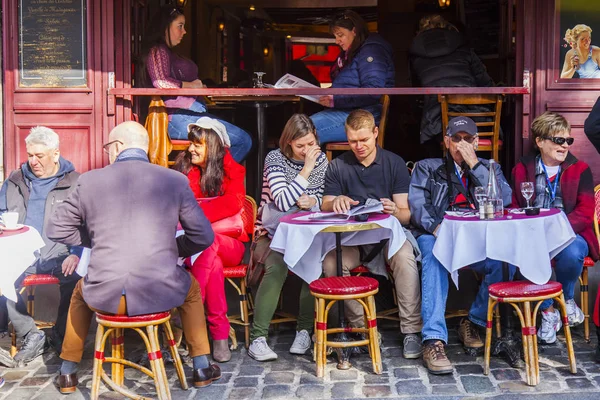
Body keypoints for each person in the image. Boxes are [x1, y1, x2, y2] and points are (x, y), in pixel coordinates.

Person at [46, 121, 220, 393]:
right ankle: (201, 366)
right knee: (192, 290)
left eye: (108, 147)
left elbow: (56, 228)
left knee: (79, 293)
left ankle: (67, 372)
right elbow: (203, 236)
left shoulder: (90, 180)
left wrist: (98, 239)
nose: (107, 153)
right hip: (160, 292)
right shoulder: (175, 180)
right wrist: (174, 249)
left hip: (105, 294)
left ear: (117, 147)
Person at [408, 116, 512, 375]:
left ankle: (474, 321)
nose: (461, 144)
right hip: (437, 234)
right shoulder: (426, 167)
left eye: (467, 139)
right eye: (456, 139)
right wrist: (436, 227)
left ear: (477, 142)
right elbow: (417, 204)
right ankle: (433, 339)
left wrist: (474, 164)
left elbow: (505, 200)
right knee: (433, 253)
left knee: (502, 259)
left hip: (476, 240)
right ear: (446, 141)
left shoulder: (489, 168)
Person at [320, 109, 422, 359]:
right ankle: (363, 327)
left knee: (405, 259)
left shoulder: (393, 162)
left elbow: (407, 215)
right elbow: (325, 204)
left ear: (375, 133)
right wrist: (337, 202)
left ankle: (411, 331)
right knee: (331, 263)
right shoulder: (338, 165)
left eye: (364, 140)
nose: (358, 146)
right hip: (352, 239)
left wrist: (394, 209)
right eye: (353, 141)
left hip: (387, 236)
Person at [247, 114, 328, 361]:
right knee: (279, 264)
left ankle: (304, 330)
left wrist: (313, 201)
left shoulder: (321, 159)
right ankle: (257, 337)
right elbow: (281, 201)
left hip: (305, 232)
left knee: (313, 262)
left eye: (310, 144)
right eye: (299, 145)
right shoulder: (275, 159)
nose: (306, 151)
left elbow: (324, 198)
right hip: (271, 234)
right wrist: (306, 170)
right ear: (288, 142)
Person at [512, 112, 598, 344]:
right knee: (522, 254)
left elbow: (584, 212)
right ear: (540, 141)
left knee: (571, 252)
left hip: (570, 234)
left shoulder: (580, 169)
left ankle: (567, 300)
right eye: (558, 140)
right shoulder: (522, 168)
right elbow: (513, 206)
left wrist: (555, 231)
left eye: (568, 141)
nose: (564, 146)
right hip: (531, 235)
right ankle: (549, 312)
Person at [0, 126, 82, 363]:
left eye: (40, 156)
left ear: (55, 154)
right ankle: (31, 333)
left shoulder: (75, 182)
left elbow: (85, 223)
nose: (33, 161)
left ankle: (59, 334)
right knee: (4, 276)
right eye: (30, 156)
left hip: (59, 253)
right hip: (22, 254)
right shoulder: (15, 180)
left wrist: (75, 252)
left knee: (76, 277)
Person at [173, 117, 248, 363]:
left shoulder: (232, 170)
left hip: (230, 245)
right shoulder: (185, 169)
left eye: (198, 145)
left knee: (209, 240)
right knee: (212, 262)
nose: (190, 149)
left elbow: (233, 203)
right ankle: (219, 336)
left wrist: (194, 215)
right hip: (197, 247)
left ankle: (189, 310)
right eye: (191, 143)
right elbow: (177, 204)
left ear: (213, 147)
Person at [140, 5, 252, 162]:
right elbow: (161, 82)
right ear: (165, 26)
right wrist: (193, 86)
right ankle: (210, 180)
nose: (184, 31)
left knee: (243, 140)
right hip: (176, 118)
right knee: (243, 140)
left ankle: (208, 180)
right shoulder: (157, 50)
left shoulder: (167, 52)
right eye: (180, 26)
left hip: (186, 115)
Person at [409, 14, 494, 150]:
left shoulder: (417, 57)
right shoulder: (464, 50)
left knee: (431, 137)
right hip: (475, 118)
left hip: (439, 123)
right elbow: (486, 84)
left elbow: (416, 90)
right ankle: (483, 168)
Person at [310, 10, 394, 144]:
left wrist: (335, 99)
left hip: (364, 116)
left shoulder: (370, 50)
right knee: (300, 128)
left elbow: (373, 90)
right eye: (335, 36)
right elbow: (350, 84)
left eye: (340, 35)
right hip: (351, 112)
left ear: (354, 31)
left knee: (303, 130)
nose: (337, 41)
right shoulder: (355, 52)